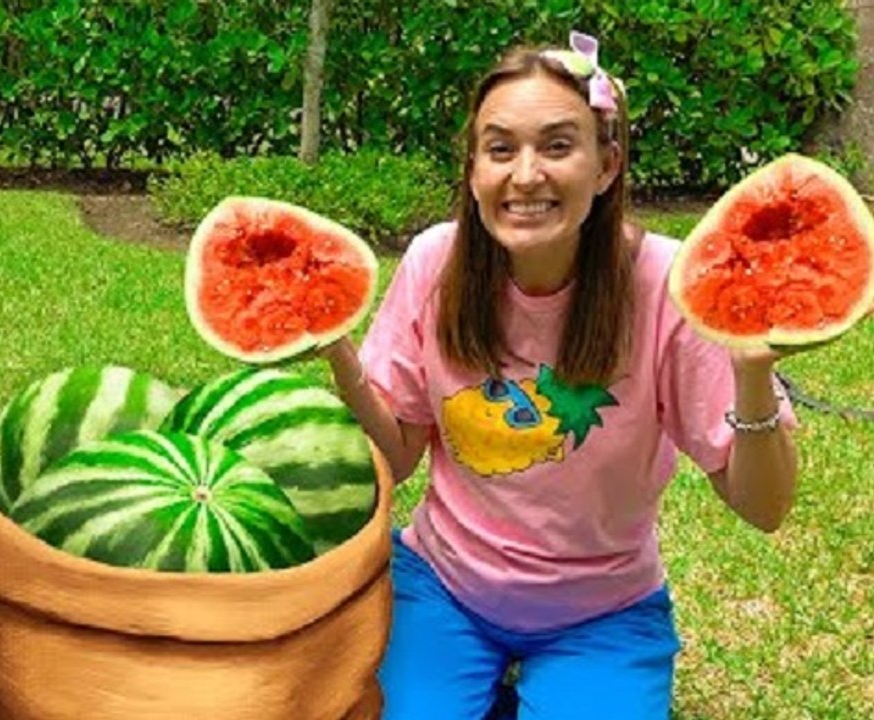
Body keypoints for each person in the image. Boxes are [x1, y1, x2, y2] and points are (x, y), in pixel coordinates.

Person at [320, 32, 798, 719]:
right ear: (473, 168)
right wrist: (337, 350)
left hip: (603, 612)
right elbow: (393, 460)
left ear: (606, 165)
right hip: (443, 585)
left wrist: (751, 375)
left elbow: (764, 507)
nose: (524, 175)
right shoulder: (436, 263)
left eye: (555, 146)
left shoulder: (665, 283)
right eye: (499, 148)